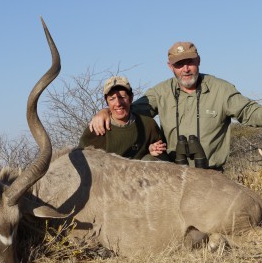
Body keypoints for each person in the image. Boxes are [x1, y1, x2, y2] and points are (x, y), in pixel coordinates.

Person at [89, 42, 262, 170]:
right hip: (174, 174)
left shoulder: (221, 89)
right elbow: (126, 109)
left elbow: (250, 111)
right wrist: (105, 111)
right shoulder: (161, 92)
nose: (185, 68)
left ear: (198, 61)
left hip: (211, 175)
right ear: (170, 67)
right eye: (179, 64)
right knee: (148, 161)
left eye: (190, 62)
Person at [79, 76, 169, 161]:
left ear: (131, 98)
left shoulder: (148, 125)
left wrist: (151, 152)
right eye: (112, 98)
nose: (118, 103)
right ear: (106, 101)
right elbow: (81, 161)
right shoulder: (97, 128)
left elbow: (163, 155)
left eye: (122, 97)